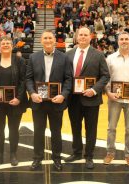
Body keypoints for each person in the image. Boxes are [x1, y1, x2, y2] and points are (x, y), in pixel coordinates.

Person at [26, 30, 72, 171]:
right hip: (38, 101)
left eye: (50, 38)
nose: (47, 40)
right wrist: (32, 93)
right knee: (38, 132)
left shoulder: (64, 58)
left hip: (56, 102)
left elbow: (68, 79)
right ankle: (37, 158)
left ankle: (56, 159)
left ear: (54, 41)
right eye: (45, 38)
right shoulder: (33, 57)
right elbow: (28, 78)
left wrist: (63, 95)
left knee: (56, 132)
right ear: (41, 41)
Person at [64, 27, 110, 169]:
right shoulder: (68, 54)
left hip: (91, 99)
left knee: (91, 129)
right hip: (73, 99)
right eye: (80, 35)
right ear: (76, 37)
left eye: (85, 35)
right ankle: (76, 152)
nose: (83, 37)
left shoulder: (98, 55)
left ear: (90, 37)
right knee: (75, 127)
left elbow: (105, 76)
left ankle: (89, 156)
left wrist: (94, 90)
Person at [0, 36, 28, 166]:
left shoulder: (20, 61)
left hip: (15, 103)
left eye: (8, 43)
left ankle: (13, 154)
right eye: (3, 43)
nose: (6, 45)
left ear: (12, 46)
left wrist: (19, 98)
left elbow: (23, 80)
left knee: (14, 129)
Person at [103, 31, 129, 167]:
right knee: (111, 128)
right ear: (118, 41)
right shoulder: (110, 58)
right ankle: (110, 152)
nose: (124, 41)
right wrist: (108, 93)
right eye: (122, 39)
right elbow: (106, 77)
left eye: (127, 39)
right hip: (114, 99)